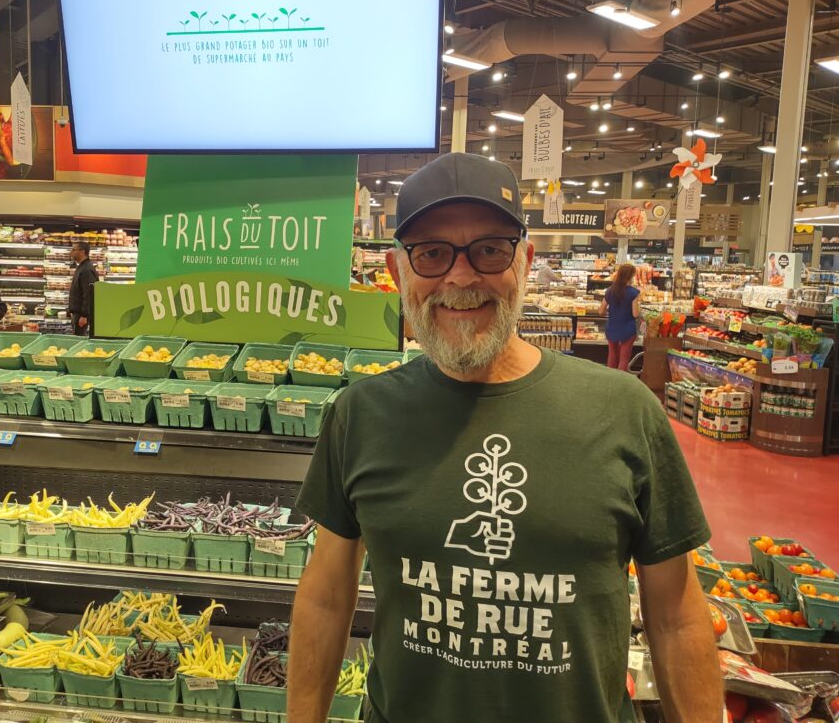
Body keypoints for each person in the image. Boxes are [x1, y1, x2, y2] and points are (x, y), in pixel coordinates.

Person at [288, 153, 721, 723]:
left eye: (489, 250)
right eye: (432, 253)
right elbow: (325, 597)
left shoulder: (623, 410)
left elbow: (677, 617)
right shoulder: (362, 414)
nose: (461, 278)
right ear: (398, 271)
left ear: (525, 261)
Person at [599, 264, 641, 372]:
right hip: (627, 328)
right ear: (631, 276)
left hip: (612, 327)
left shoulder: (610, 290)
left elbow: (601, 311)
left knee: (612, 356)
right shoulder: (633, 293)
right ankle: (620, 383)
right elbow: (635, 314)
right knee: (624, 359)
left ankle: (610, 381)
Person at [68, 241, 100, 336]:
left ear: (82, 252)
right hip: (78, 313)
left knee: (80, 340)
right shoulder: (82, 267)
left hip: (82, 316)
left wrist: (84, 315)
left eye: (74, 250)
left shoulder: (87, 270)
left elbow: (89, 294)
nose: (71, 252)